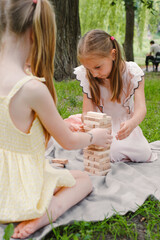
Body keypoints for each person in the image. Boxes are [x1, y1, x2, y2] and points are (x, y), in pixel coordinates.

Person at [0, 2, 112, 239]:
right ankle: (46, 214)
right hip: (15, 192)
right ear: (36, 33)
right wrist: (95, 136)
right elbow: (70, 141)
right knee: (83, 180)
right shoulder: (31, 87)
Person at [72, 29, 157, 163]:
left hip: (125, 125)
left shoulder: (132, 73)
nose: (94, 74)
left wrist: (132, 123)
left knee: (143, 154)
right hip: (101, 127)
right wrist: (90, 127)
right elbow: (87, 112)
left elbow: (141, 108)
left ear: (113, 55)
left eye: (98, 67)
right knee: (110, 153)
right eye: (89, 69)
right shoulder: (87, 76)